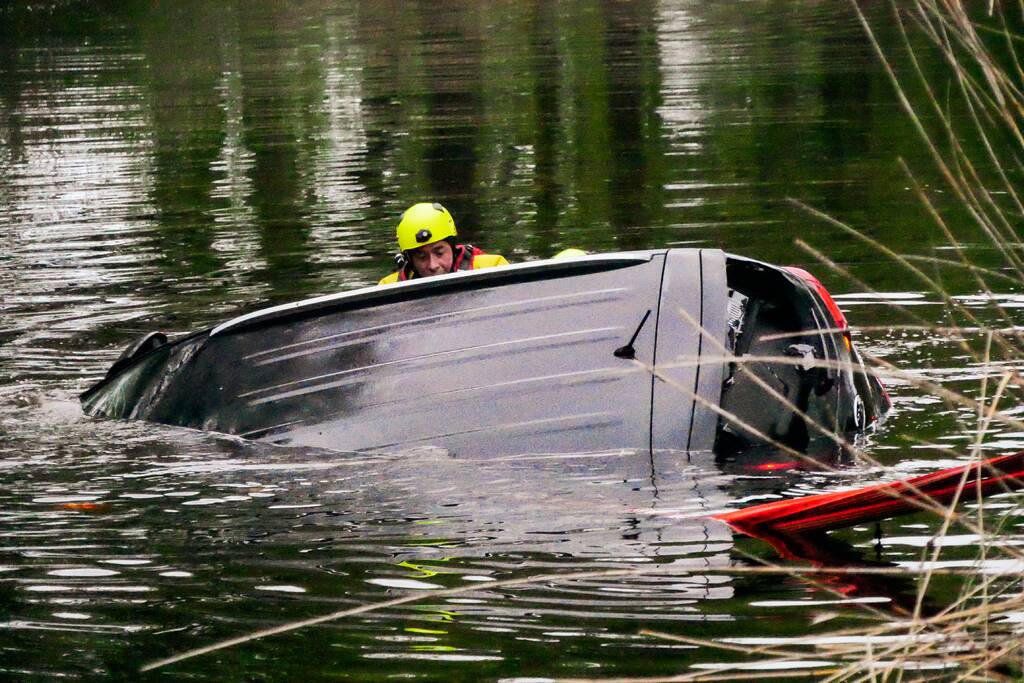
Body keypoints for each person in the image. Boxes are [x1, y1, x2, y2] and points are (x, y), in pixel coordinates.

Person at [379, 202, 509, 285]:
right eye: (421, 257)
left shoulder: (493, 268)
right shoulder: (389, 288)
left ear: (452, 247)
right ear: (410, 260)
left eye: (439, 252)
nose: (433, 265)